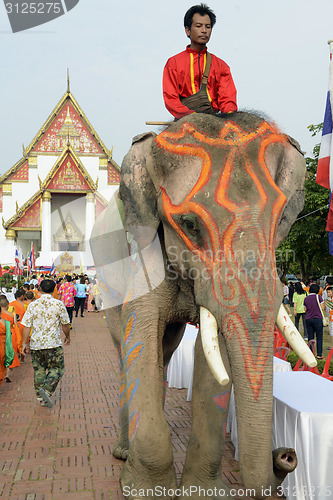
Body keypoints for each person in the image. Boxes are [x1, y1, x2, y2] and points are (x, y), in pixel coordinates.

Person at [162, 3, 237, 119]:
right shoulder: (173, 63)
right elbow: (170, 98)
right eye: (198, 26)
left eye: (208, 27)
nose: (204, 31)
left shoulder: (221, 66)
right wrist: (189, 116)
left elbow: (228, 100)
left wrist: (230, 117)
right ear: (187, 30)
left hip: (214, 120)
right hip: (184, 120)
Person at [21, 279, 70, 408]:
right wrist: (67, 336)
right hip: (53, 343)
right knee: (57, 368)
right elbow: (65, 324)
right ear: (54, 289)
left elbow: (26, 326)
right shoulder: (59, 304)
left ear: (39, 289)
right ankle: (47, 390)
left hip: (36, 344)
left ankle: (40, 397)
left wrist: (24, 344)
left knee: (39, 370)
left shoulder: (33, 305)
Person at [303, 283, 325, 359]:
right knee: (319, 337)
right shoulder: (318, 297)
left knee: (310, 337)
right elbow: (322, 308)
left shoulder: (306, 298)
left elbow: (305, 309)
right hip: (317, 319)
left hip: (308, 319)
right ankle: (319, 354)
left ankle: (310, 354)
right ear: (318, 290)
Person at [325, 286, 333, 351]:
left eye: (329, 292)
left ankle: (331, 346)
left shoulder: (331, 301)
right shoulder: (329, 300)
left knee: (332, 333)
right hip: (331, 318)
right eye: (327, 292)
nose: (328, 293)